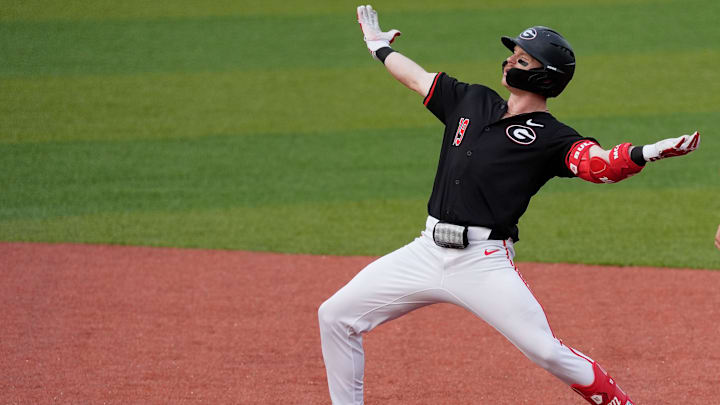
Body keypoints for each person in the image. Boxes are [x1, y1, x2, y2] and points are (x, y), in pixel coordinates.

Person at [318, 5, 701, 405]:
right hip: (425, 251)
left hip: (483, 262)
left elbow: (597, 165)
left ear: (543, 75)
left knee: (544, 350)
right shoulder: (472, 99)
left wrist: (647, 152)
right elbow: (416, 77)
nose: (509, 60)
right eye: (513, 53)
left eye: (522, 57)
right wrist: (378, 46)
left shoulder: (553, 137)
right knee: (334, 316)